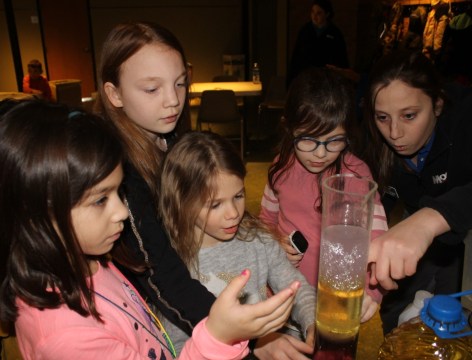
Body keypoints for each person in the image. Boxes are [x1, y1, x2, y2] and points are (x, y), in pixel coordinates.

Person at [0, 100, 299, 360]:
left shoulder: (92, 259)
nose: (121, 212)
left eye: (119, 193)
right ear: (38, 209)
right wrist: (218, 335)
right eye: (101, 199)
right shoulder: (65, 340)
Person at [93, 21, 300, 359]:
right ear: (114, 94)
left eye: (180, 83)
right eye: (151, 89)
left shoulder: (168, 135)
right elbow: (163, 277)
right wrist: (242, 336)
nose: (173, 101)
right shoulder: (120, 170)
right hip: (162, 314)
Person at [159, 131, 315, 357]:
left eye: (239, 196)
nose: (233, 213)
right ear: (182, 202)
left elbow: (294, 285)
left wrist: (312, 321)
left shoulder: (258, 239)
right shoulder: (174, 267)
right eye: (215, 205)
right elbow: (177, 347)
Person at [363, 50, 472, 334]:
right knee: (394, 317)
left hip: (471, 240)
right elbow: (378, 201)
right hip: (426, 236)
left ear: (438, 104)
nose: (394, 133)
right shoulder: (374, 140)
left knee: (455, 322)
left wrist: (430, 218)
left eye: (409, 115)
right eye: (382, 117)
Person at [260, 67, 388, 323]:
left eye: (334, 141)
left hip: (338, 299)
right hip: (287, 292)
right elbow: (265, 220)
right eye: (308, 139)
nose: (320, 153)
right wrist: (276, 241)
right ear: (289, 128)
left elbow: (378, 243)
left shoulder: (358, 176)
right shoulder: (280, 168)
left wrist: (372, 293)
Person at [288, 0, 349, 86]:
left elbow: (341, 60)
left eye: (319, 13)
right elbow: (296, 57)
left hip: (326, 80)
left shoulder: (335, 33)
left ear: (327, 14)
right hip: (307, 78)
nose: (314, 16)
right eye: (312, 12)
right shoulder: (305, 31)